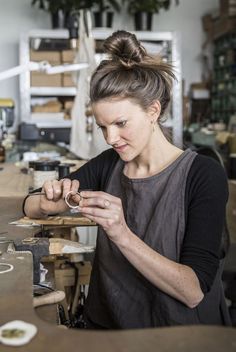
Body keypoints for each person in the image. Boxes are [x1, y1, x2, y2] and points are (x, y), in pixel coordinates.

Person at [23, 30, 231, 329]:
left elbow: (193, 290)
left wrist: (120, 232)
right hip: (107, 328)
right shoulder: (110, 164)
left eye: (120, 123)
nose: (111, 138)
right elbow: (30, 204)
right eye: (103, 127)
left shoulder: (202, 175)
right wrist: (51, 197)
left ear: (153, 110)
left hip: (177, 335)